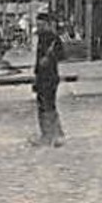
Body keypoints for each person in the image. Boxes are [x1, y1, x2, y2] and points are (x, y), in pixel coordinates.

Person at [32, 13, 66, 147]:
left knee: (47, 106)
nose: (38, 27)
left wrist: (50, 58)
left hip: (50, 76)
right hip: (41, 76)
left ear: (47, 24)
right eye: (37, 24)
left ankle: (50, 136)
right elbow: (38, 59)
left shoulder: (53, 38)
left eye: (41, 25)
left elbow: (62, 55)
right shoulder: (42, 38)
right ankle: (53, 134)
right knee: (43, 105)